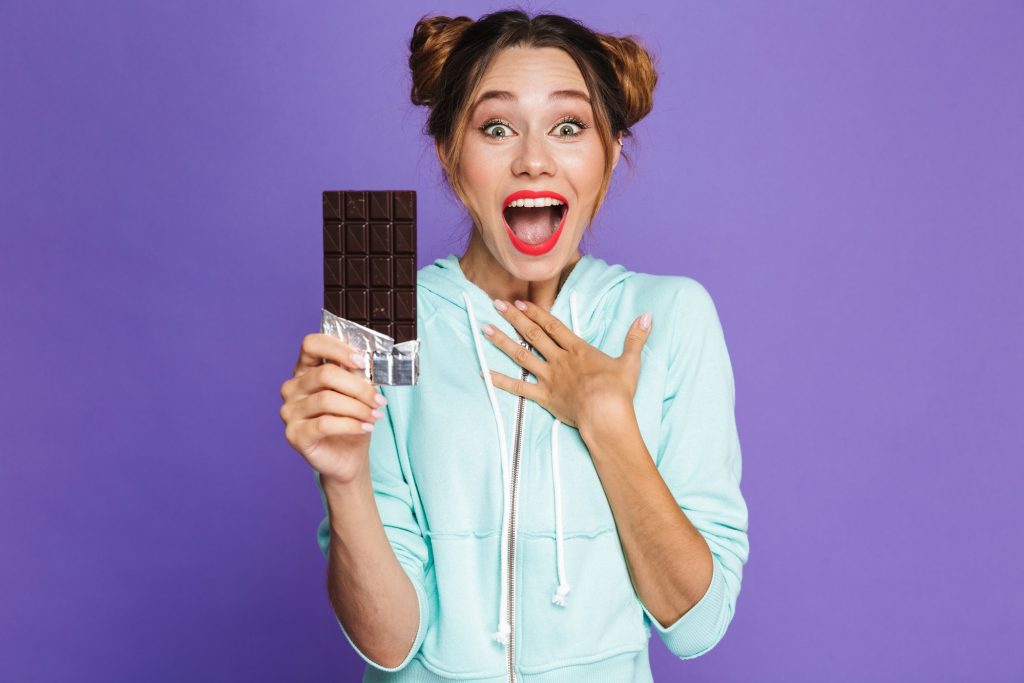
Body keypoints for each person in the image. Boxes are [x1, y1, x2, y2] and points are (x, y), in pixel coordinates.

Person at [279, 9, 750, 682]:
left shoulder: (669, 316)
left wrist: (607, 421)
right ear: (449, 152)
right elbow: (388, 645)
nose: (533, 158)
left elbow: (698, 626)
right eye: (496, 128)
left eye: (569, 126)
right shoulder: (377, 315)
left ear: (610, 152)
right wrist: (344, 478)